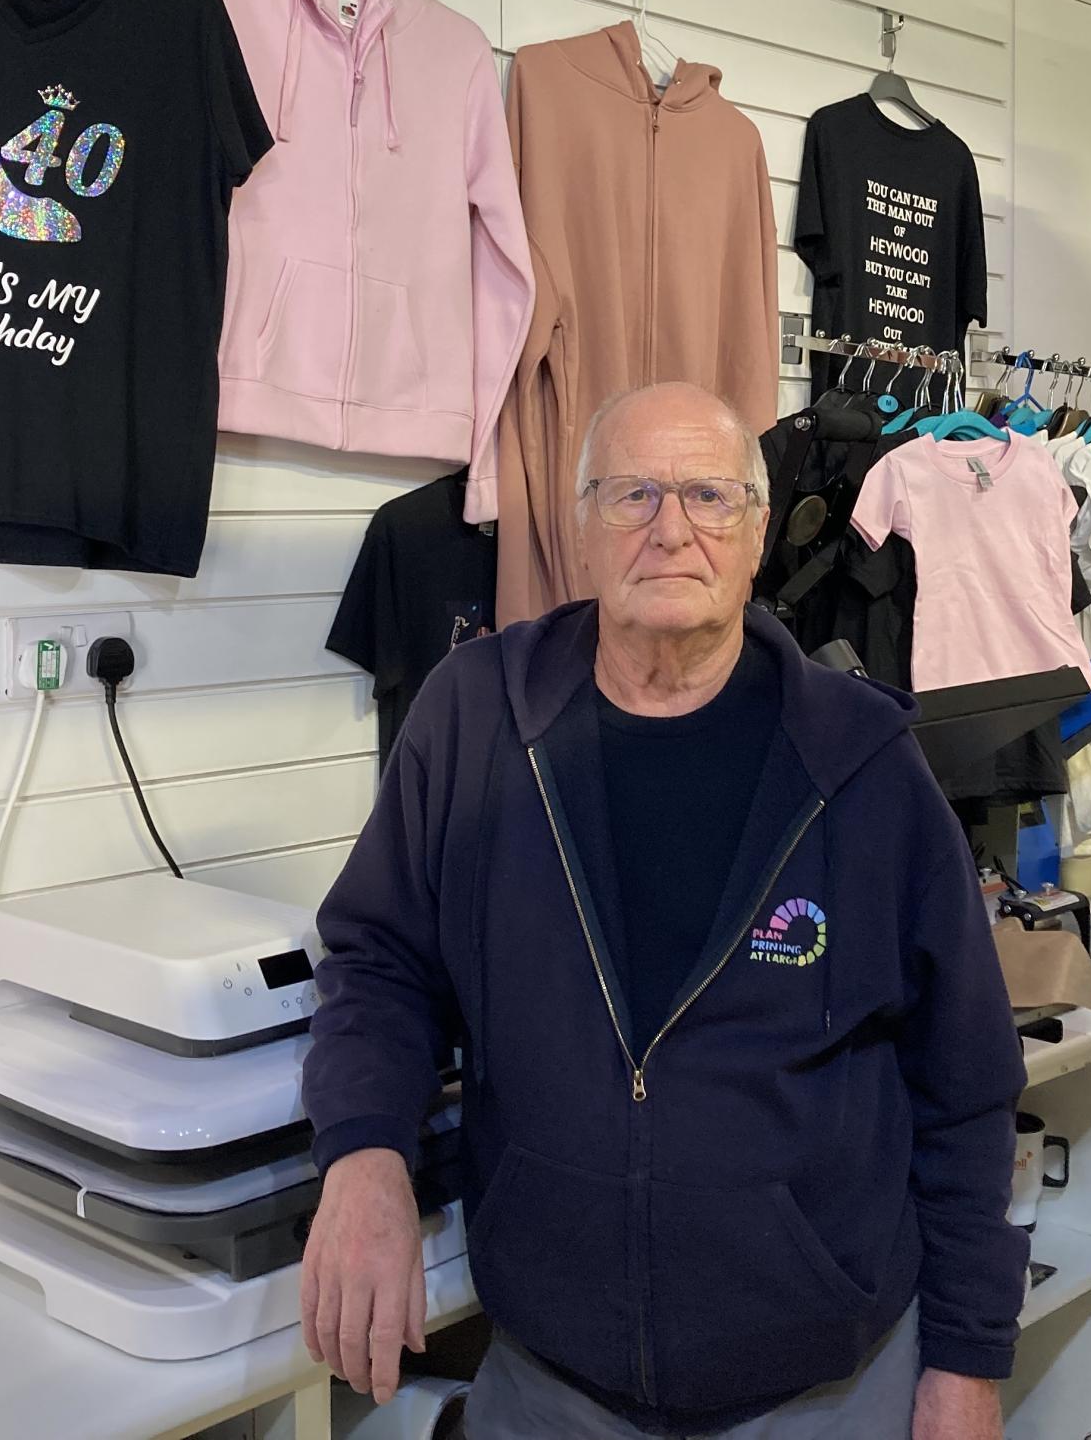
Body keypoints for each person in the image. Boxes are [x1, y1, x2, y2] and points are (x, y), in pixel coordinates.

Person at [302, 380, 1028, 1439]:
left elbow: (963, 1084)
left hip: (824, 1388)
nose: (671, 530)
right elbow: (379, 961)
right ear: (582, 530)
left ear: (758, 533)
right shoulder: (475, 718)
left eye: (708, 496)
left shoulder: (862, 762)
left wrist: (967, 1362)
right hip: (551, 1383)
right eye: (633, 495)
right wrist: (365, 1153)